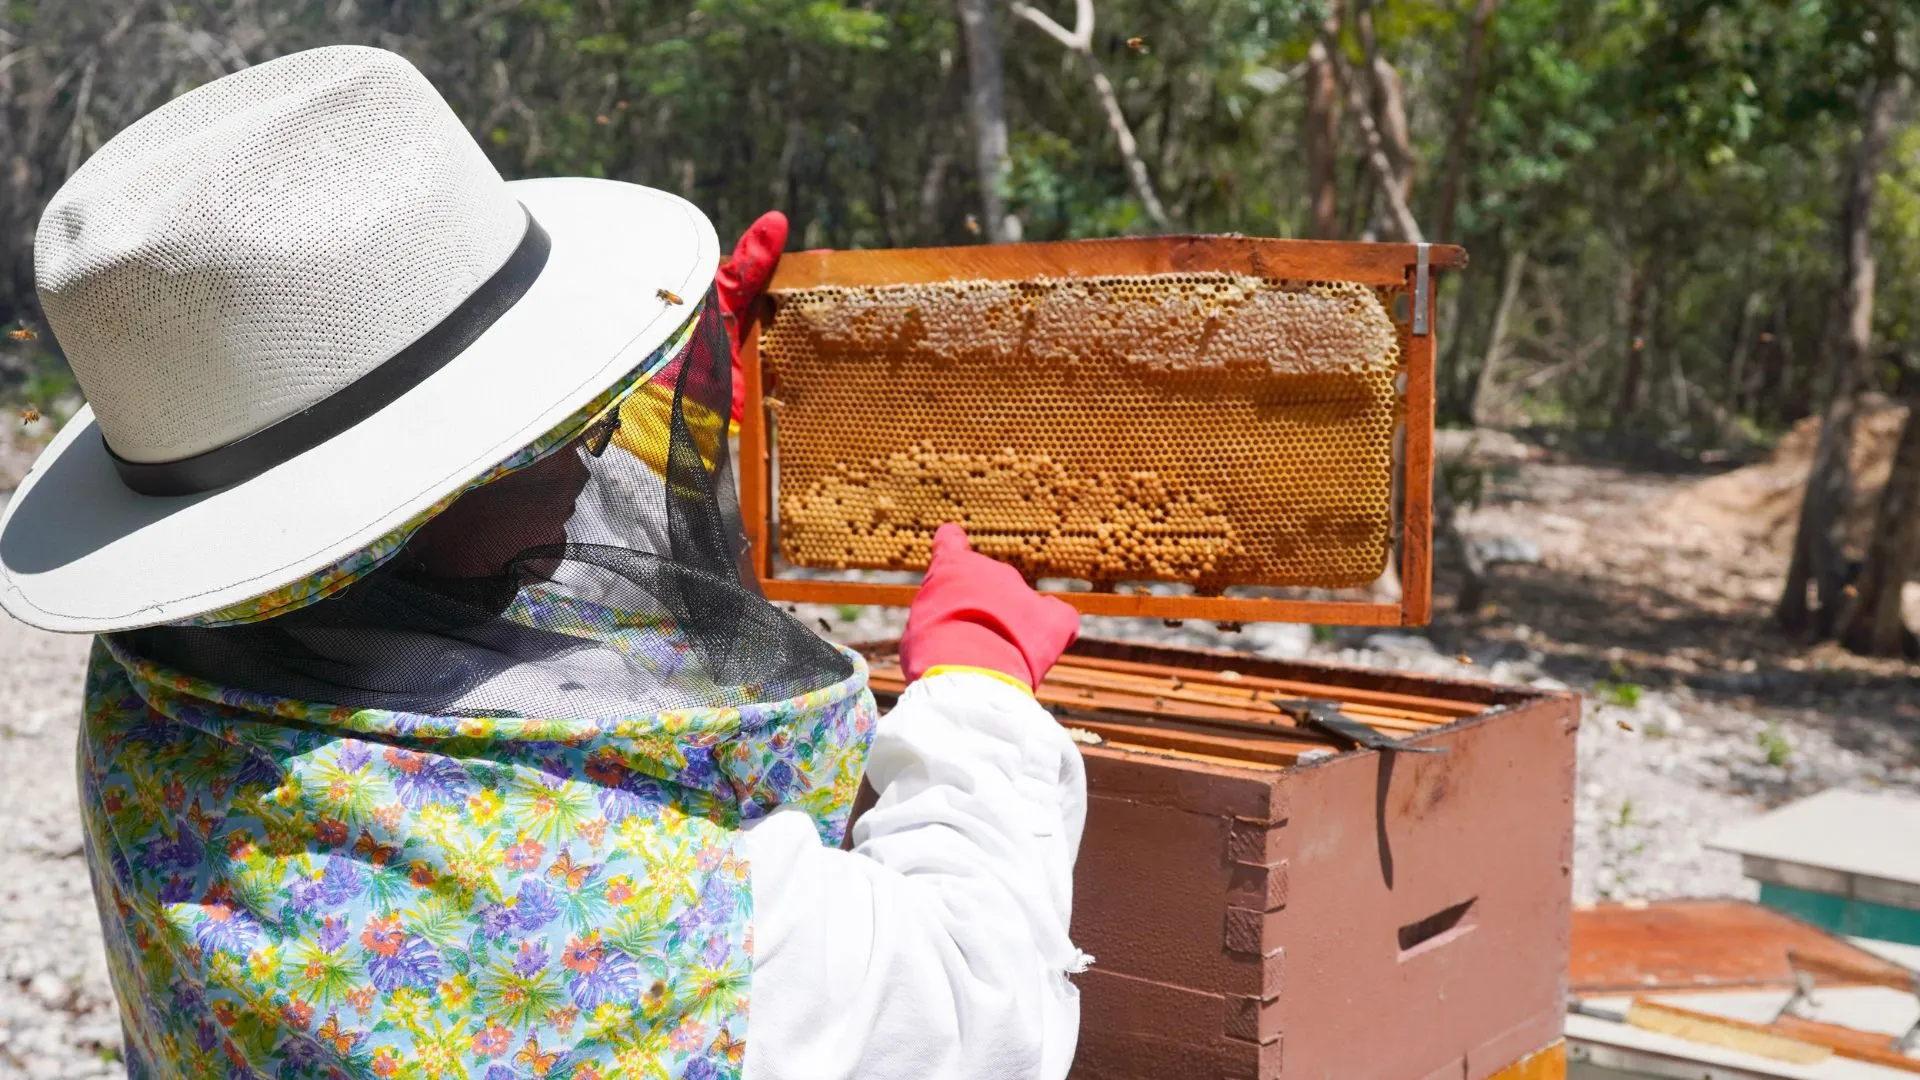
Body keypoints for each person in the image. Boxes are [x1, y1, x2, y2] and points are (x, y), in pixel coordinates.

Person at [0, 46, 1089, 1080]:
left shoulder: (173, 678)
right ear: (385, 517)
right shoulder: (537, 915)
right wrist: (976, 696)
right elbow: (967, 1010)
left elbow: (455, 577)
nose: (596, 438)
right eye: (549, 424)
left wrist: (672, 434)